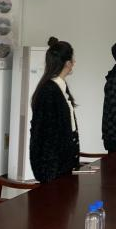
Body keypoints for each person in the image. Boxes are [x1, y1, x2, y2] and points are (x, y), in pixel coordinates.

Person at [29, 37, 80, 183]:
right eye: (73, 59)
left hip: (65, 166)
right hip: (53, 171)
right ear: (67, 63)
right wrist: (49, 175)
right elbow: (45, 135)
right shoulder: (49, 91)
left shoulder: (60, 87)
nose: (75, 62)